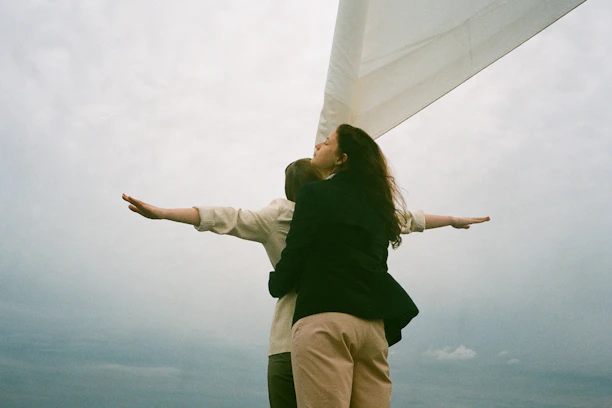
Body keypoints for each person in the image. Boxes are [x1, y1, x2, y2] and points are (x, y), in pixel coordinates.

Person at [123, 157, 488, 408]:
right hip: (346, 332)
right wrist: (453, 219)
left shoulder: (274, 217)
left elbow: (225, 217)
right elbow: (407, 219)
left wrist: (163, 213)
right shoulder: (349, 211)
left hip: (290, 340)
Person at [268, 124, 489, 408]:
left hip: (325, 321)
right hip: (373, 328)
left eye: (327, 142)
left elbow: (295, 254)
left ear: (342, 158)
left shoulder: (313, 194)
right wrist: (452, 220)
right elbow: (412, 220)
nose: (318, 145)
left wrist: (276, 284)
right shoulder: (378, 204)